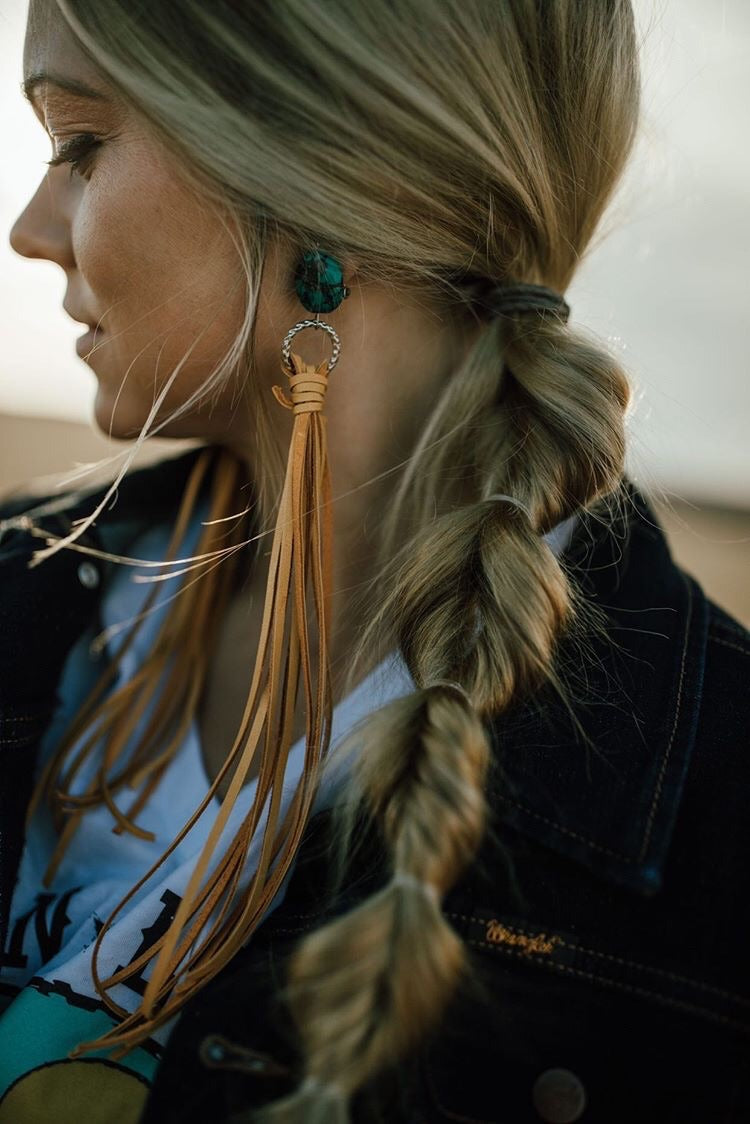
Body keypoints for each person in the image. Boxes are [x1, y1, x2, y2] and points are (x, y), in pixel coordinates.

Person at [0, 1, 748, 1121]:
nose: (30, 226)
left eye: (77, 144)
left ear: (320, 169)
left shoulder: (721, 828)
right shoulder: (23, 588)